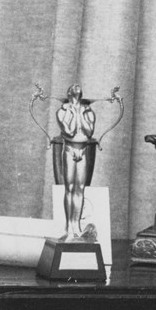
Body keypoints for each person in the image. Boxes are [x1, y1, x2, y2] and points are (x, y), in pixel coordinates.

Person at [56, 83, 96, 240]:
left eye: (78, 88)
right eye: (73, 88)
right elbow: (70, 131)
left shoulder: (88, 112)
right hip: (69, 150)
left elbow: (89, 131)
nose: (76, 88)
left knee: (80, 188)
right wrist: (72, 112)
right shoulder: (62, 112)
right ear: (69, 93)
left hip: (83, 150)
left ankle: (76, 224)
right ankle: (69, 226)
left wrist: (80, 114)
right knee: (70, 188)